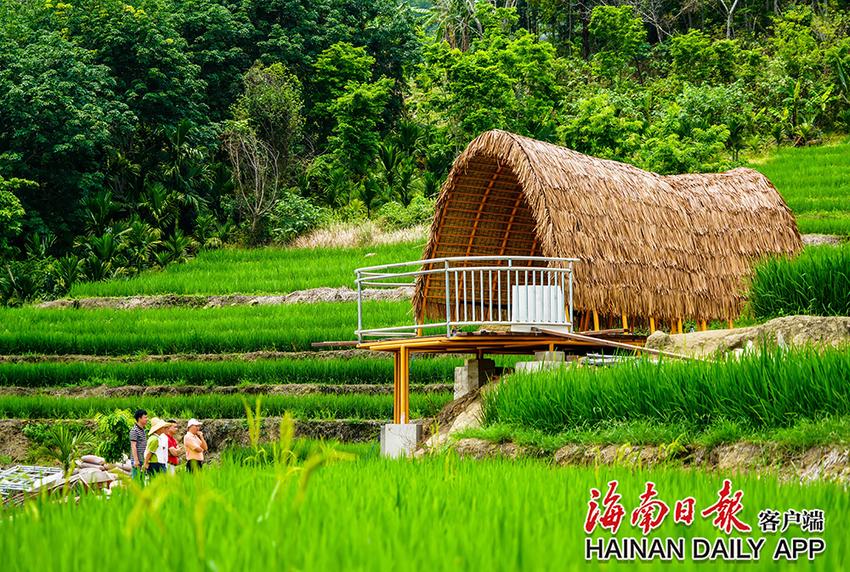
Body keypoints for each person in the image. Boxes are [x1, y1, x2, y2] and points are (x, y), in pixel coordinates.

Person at [129, 409, 148, 480]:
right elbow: (133, 446)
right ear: (139, 418)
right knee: (137, 481)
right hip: (137, 460)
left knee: (142, 480)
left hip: (142, 459)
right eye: (145, 417)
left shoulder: (142, 430)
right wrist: (136, 460)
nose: (147, 419)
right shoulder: (134, 430)